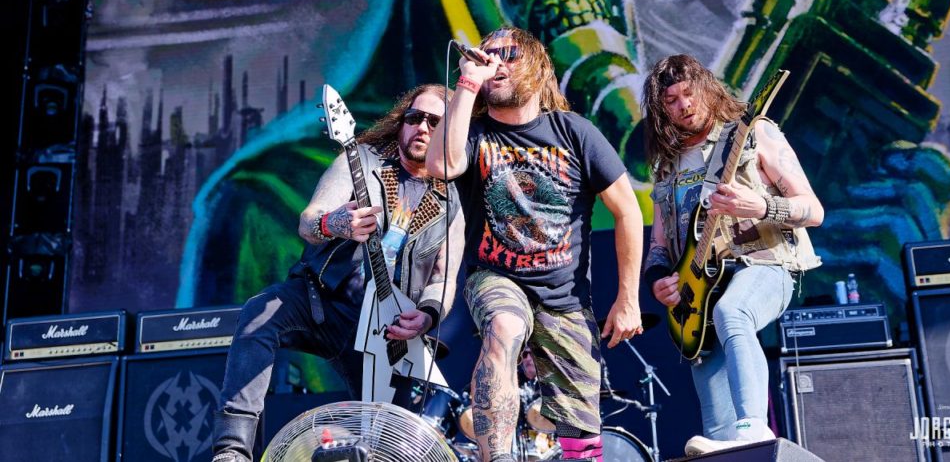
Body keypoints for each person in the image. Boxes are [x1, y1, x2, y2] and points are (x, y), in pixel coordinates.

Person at [212, 84, 465, 462]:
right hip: (323, 303)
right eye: (414, 117)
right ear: (401, 122)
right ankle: (232, 451)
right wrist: (334, 223)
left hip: (387, 329)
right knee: (259, 313)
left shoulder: (451, 203)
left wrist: (427, 316)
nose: (422, 128)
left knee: (393, 440)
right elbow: (308, 221)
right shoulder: (359, 161)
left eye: (434, 121)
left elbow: (443, 279)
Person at [426, 26, 643, 462]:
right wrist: (467, 81)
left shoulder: (574, 132)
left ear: (537, 66)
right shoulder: (475, 133)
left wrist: (628, 298)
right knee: (503, 327)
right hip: (497, 276)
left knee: (581, 435)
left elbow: (627, 211)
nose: (494, 61)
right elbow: (441, 165)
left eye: (507, 53)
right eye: (486, 54)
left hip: (565, 296)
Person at [640, 54, 824, 456]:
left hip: (766, 264)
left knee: (734, 311)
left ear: (707, 88)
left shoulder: (754, 134)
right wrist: (658, 280)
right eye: (671, 100)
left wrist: (761, 206)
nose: (683, 105)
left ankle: (755, 425)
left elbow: (814, 210)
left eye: (689, 93)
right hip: (699, 294)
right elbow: (658, 246)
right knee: (719, 441)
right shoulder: (666, 165)